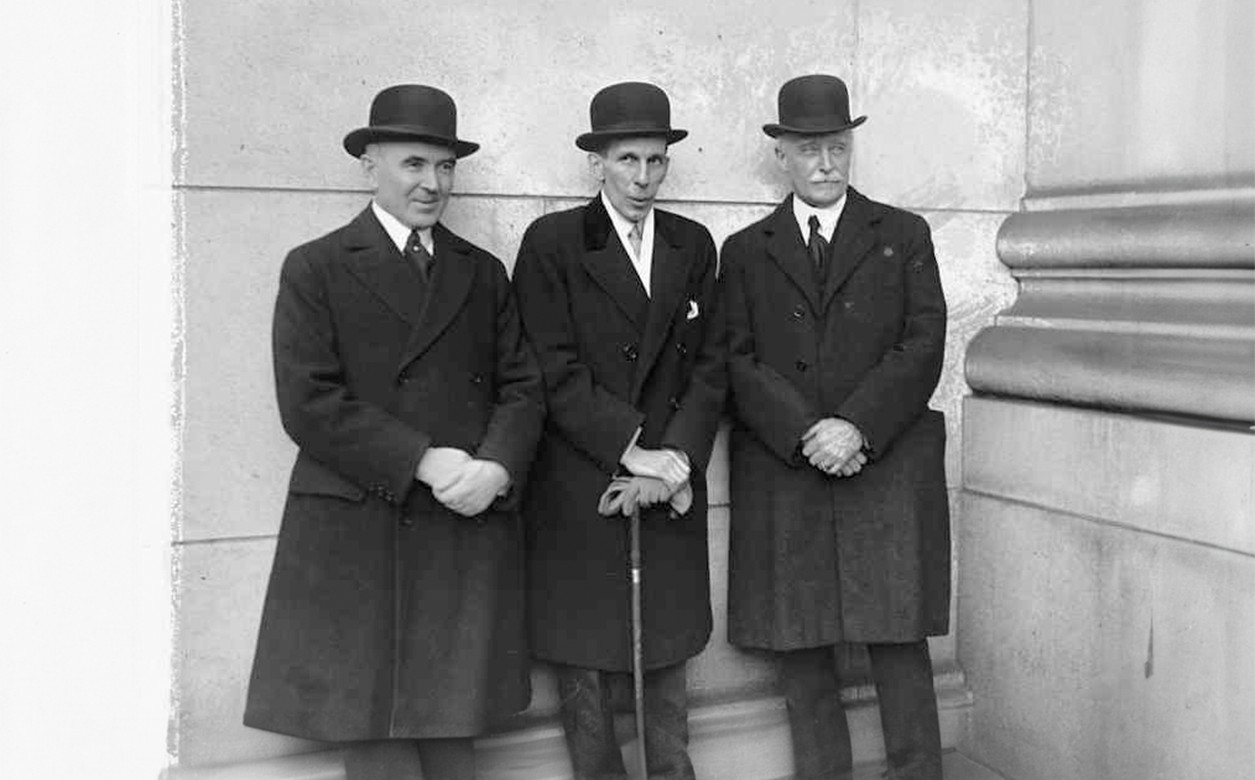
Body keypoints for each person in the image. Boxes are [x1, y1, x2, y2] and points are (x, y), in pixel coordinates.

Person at [242, 84, 545, 780]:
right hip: (362, 527)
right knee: (375, 733)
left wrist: (496, 468)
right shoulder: (316, 266)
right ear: (369, 165)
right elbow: (307, 401)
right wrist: (423, 462)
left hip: (462, 520)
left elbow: (523, 387)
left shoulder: (481, 271)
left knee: (451, 729)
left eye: (444, 168)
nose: (432, 184)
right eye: (414, 164)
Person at [720, 74, 951, 780]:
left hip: (881, 461)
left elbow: (923, 342)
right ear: (781, 156)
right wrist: (804, 433)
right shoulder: (745, 249)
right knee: (802, 647)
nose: (825, 163)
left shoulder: (902, 233)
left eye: (837, 147)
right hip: (789, 467)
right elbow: (734, 357)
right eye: (808, 148)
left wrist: (852, 425)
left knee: (897, 640)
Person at [512, 81, 726, 780]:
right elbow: (549, 364)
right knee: (586, 662)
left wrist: (678, 462)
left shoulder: (693, 245)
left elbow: (711, 366)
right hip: (583, 478)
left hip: (668, 481)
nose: (642, 178)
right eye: (627, 159)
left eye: (655, 161)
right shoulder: (553, 243)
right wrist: (631, 447)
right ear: (596, 162)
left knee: (664, 651)